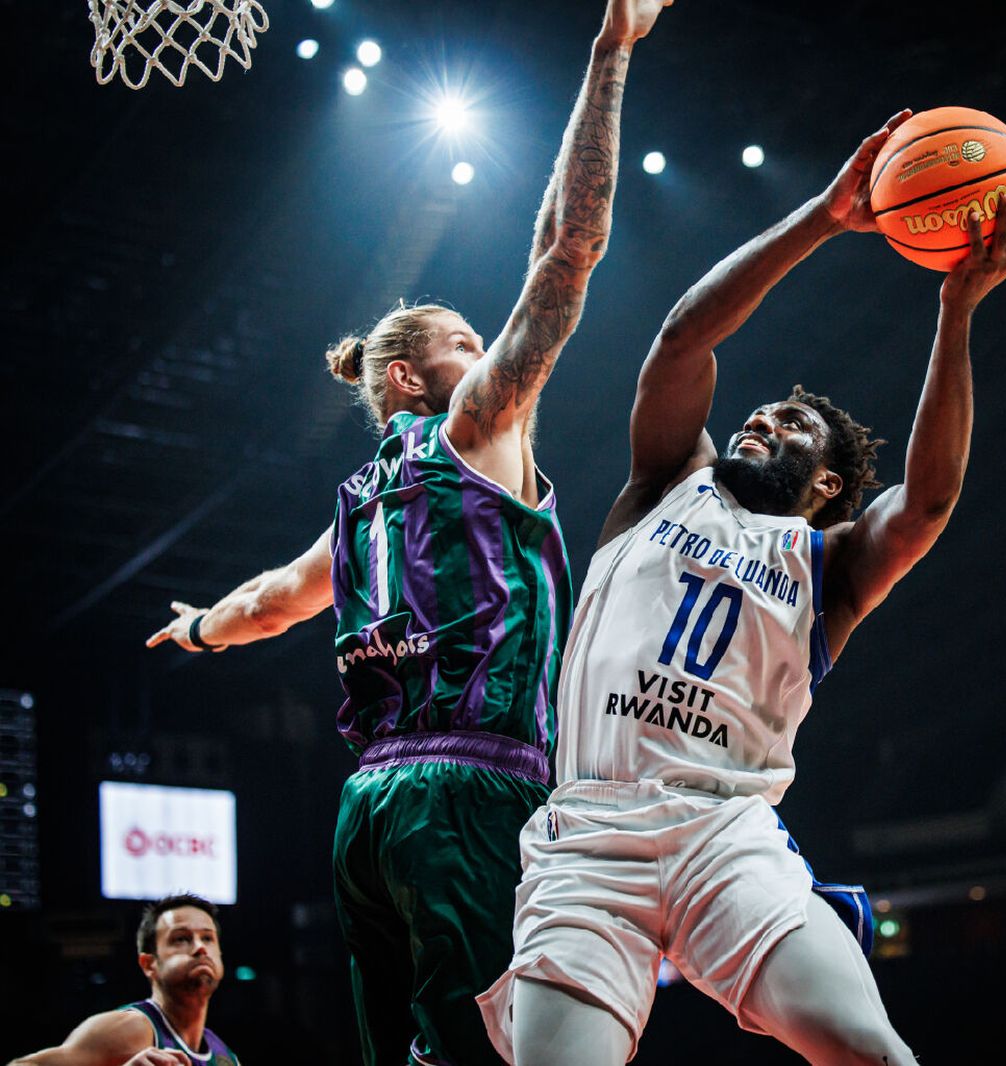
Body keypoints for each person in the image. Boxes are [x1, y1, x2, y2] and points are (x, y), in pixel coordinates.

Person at [142, 3, 674, 1061]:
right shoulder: (477, 428)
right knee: (499, 1047)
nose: (488, 354)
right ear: (408, 376)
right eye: (467, 341)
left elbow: (263, 607)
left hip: (368, 812)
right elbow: (566, 250)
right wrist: (610, 51)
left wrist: (198, 629)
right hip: (470, 787)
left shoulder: (350, 511)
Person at [476, 113, 1006, 1064]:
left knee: (872, 1051)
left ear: (827, 485)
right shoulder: (667, 481)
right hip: (588, 836)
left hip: (724, 837)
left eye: (792, 425)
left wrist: (957, 308)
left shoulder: (832, 567)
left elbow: (931, 500)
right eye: (764, 410)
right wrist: (826, 216)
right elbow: (683, 339)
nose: (764, 418)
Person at [11, 894, 239, 1066]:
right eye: (181, 939)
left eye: (207, 938)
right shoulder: (131, 1029)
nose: (200, 947)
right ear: (149, 964)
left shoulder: (225, 1057)